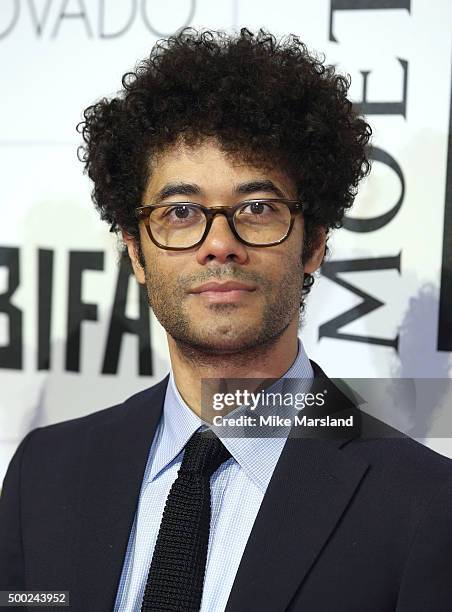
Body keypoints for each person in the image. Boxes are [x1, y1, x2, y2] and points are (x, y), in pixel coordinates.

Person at [1, 28, 452, 612]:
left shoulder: (423, 505)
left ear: (314, 243)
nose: (219, 245)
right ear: (136, 251)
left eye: (257, 209)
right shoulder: (45, 473)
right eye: (181, 212)